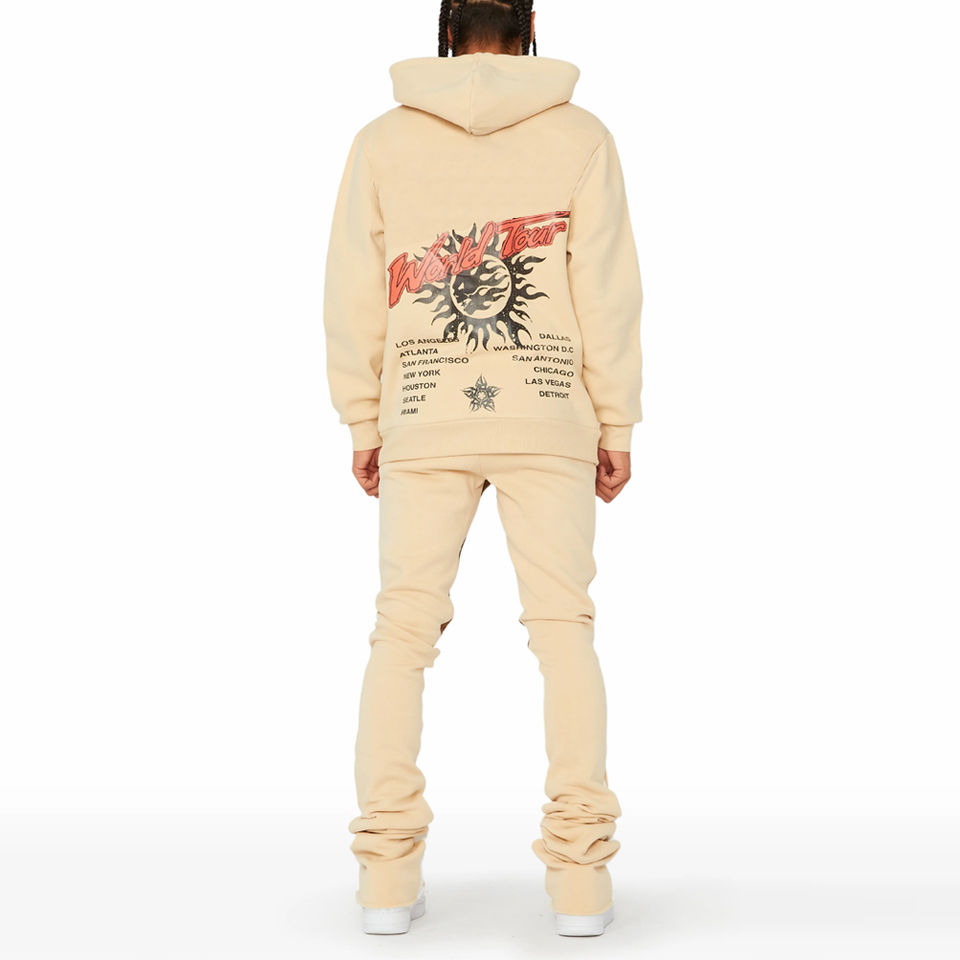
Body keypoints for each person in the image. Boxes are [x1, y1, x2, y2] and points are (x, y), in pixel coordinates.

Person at [322, 0, 643, 938]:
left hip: (422, 410)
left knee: (401, 634)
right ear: (530, 21)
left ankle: (386, 881)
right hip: (548, 409)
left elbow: (351, 292)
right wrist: (616, 419)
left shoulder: (382, 141)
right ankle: (580, 886)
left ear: (446, 25)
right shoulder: (582, 136)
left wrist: (362, 417)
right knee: (564, 630)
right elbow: (607, 290)